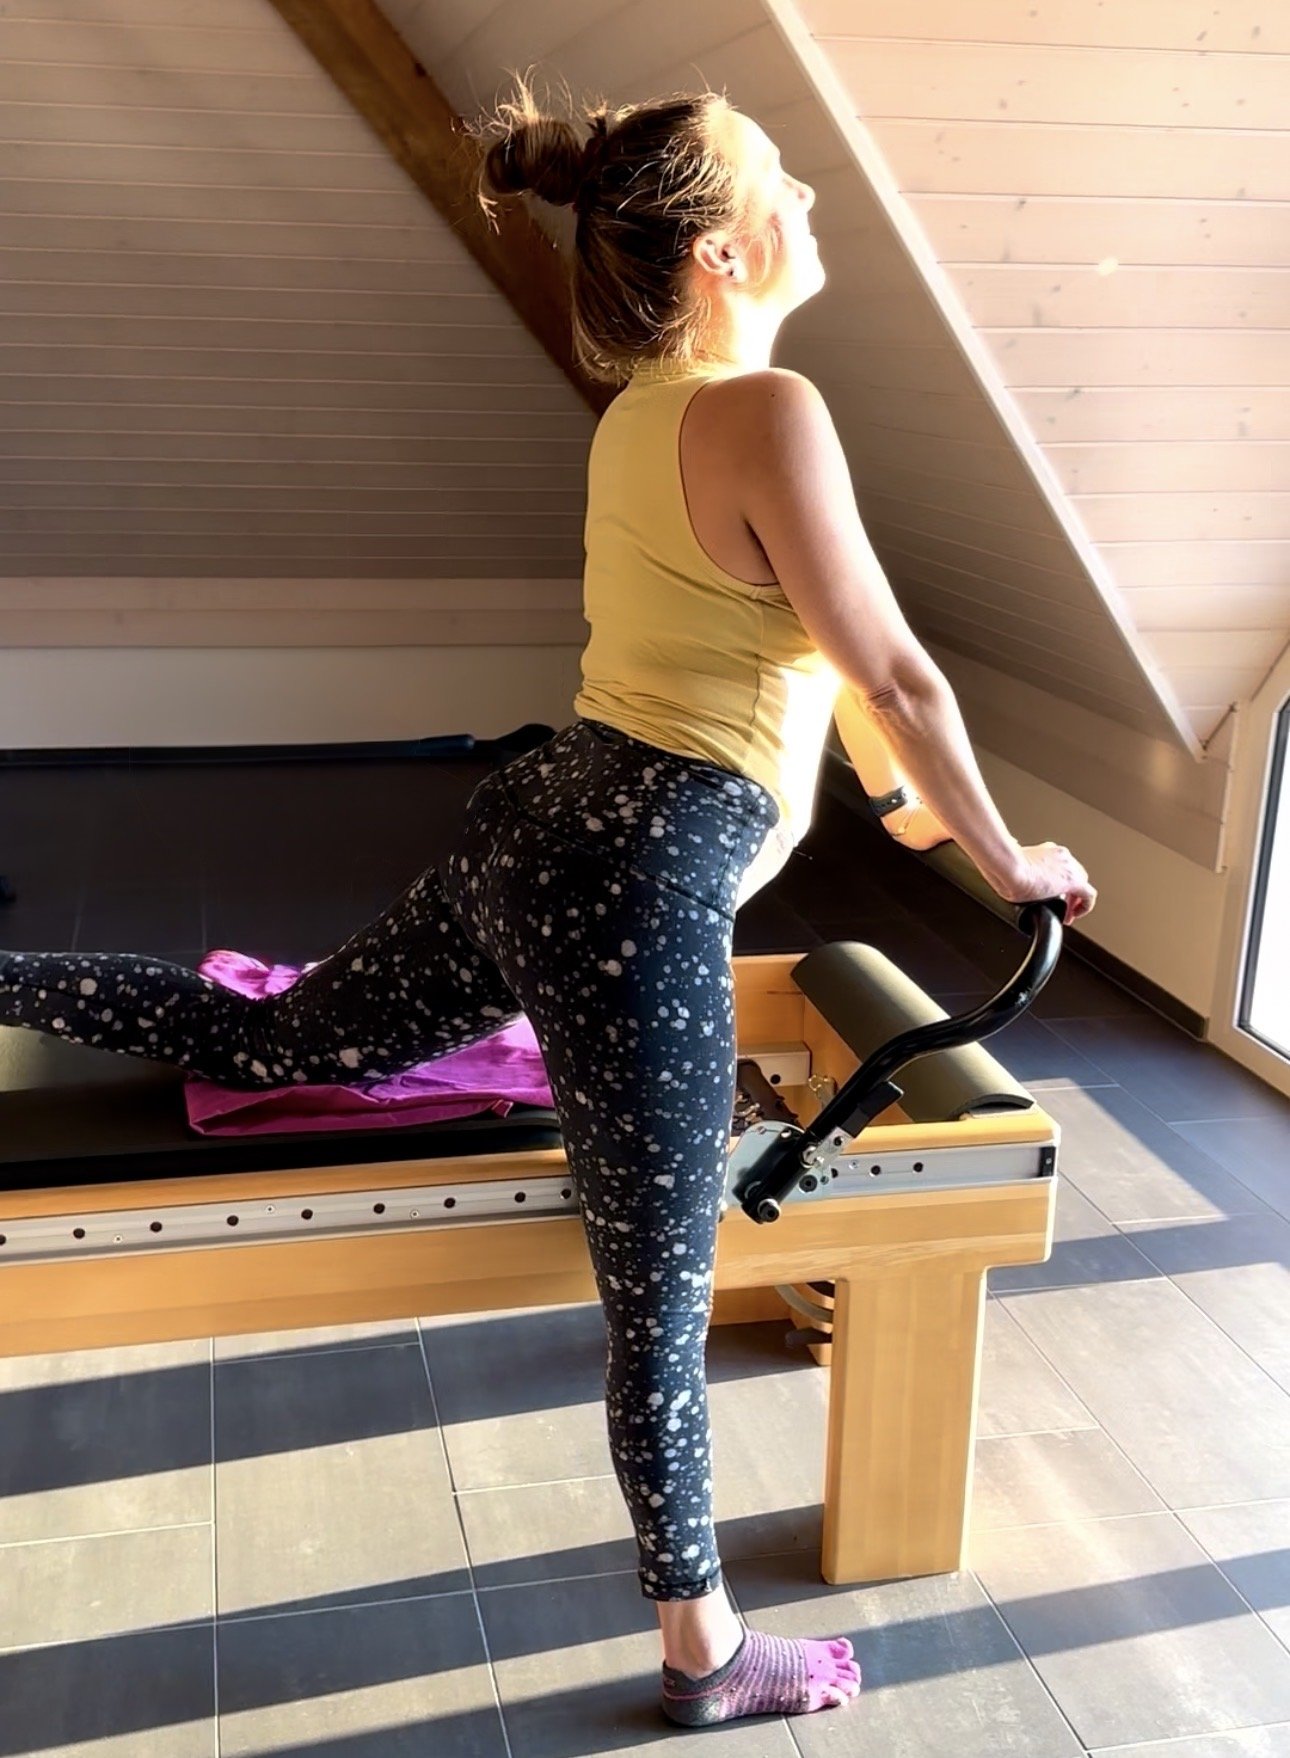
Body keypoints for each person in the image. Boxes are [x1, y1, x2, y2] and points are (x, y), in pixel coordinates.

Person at [0, 77, 1095, 1729]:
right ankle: (704, 1650)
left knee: (279, 1039)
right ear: (721, 249)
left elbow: (811, 658)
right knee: (657, 1292)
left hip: (542, 817)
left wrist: (902, 798)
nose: (811, 195)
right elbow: (893, 668)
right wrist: (1006, 859)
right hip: (633, 879)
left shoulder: (645, 412)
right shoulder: (772, 405)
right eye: (782, 178)